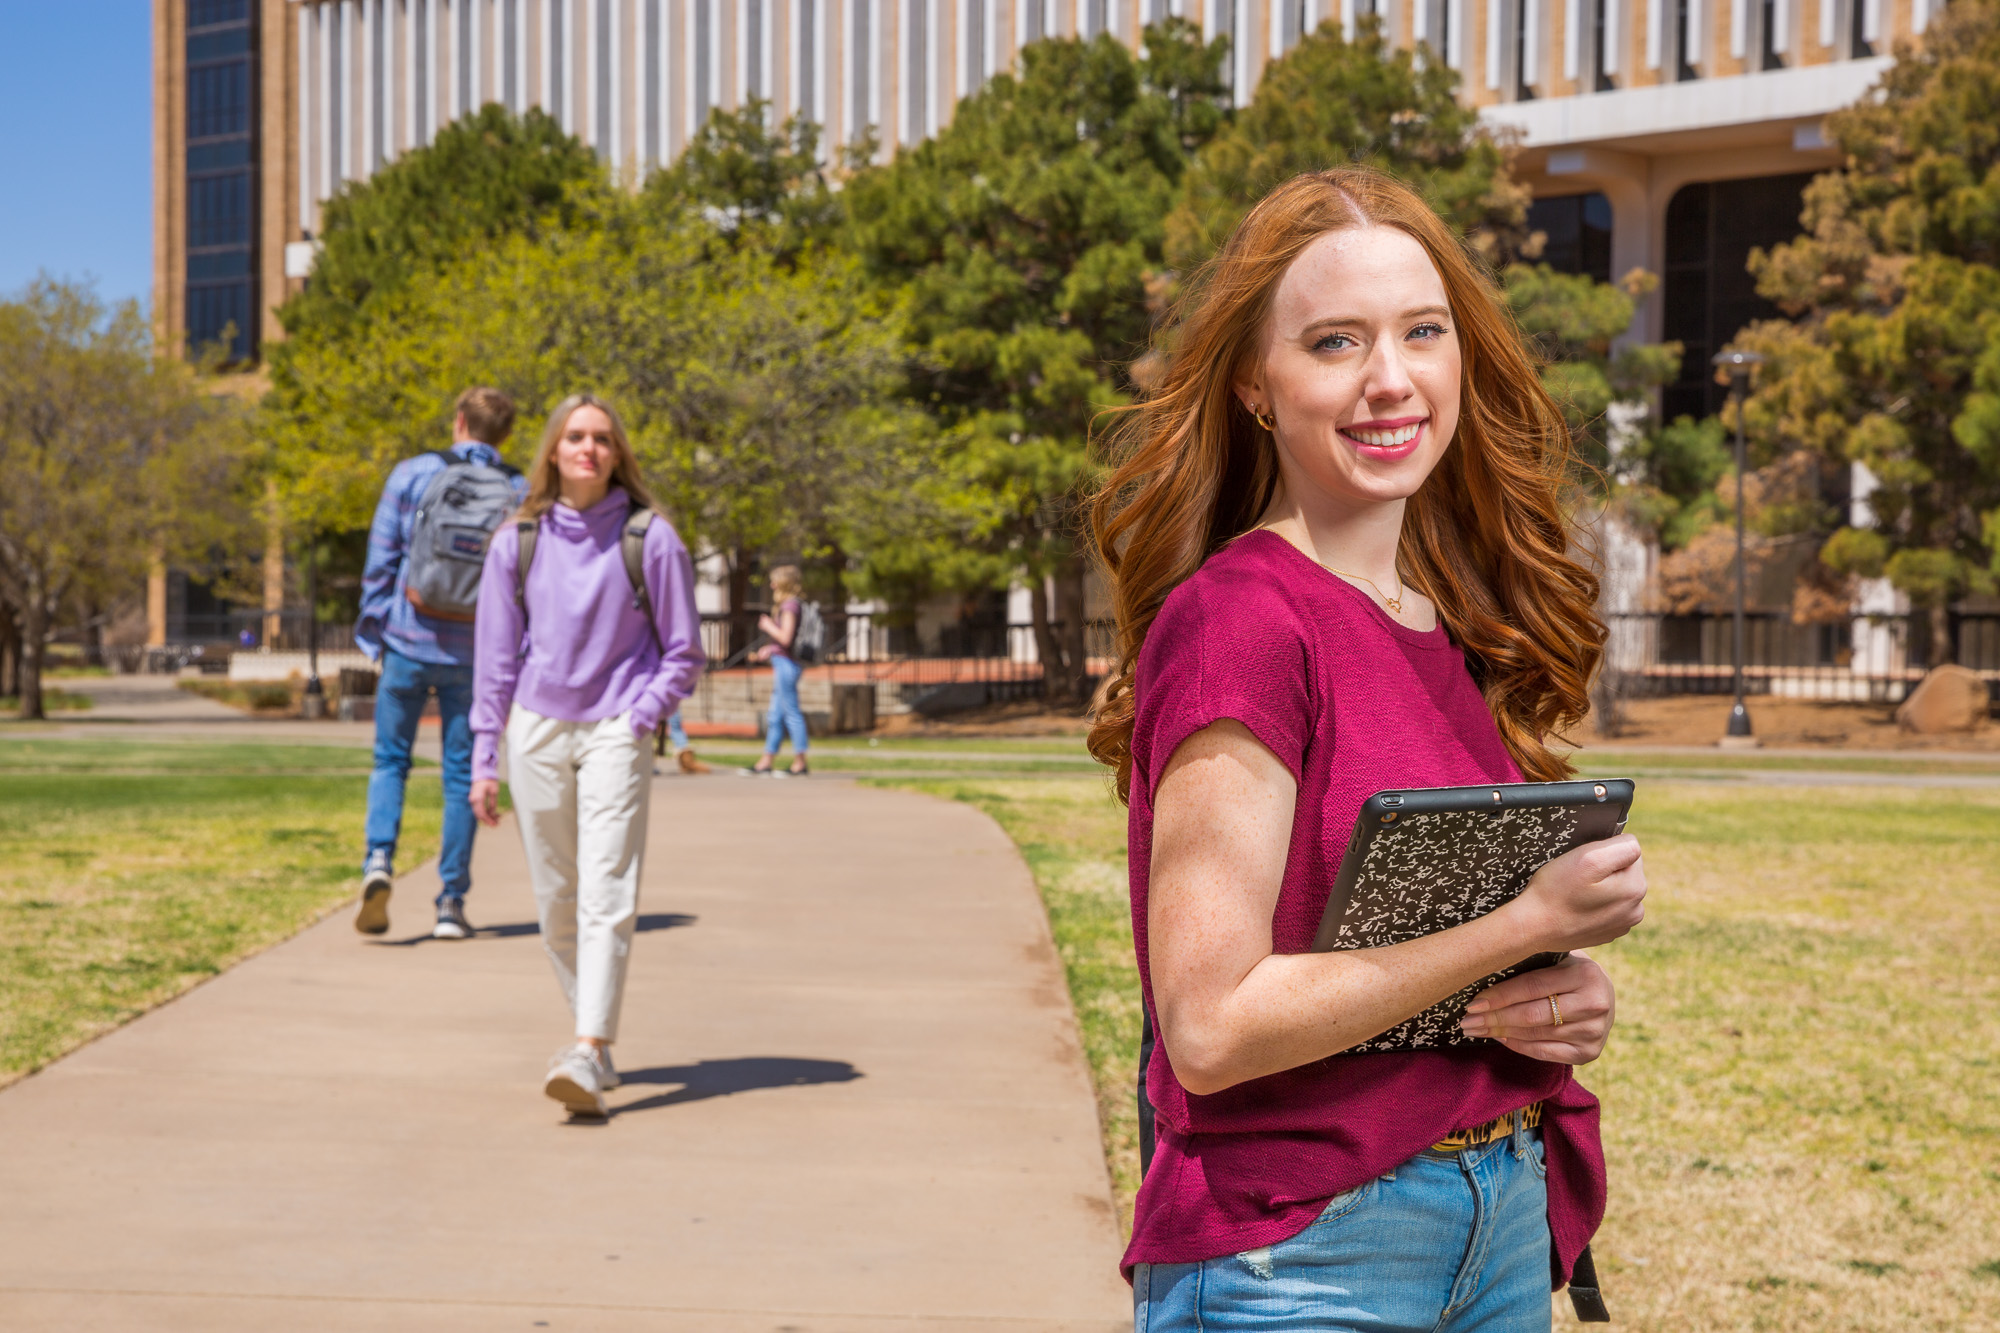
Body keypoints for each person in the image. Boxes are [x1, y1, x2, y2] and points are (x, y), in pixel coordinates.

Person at [1086, 168, 1648, 1330]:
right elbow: (1212, 1026)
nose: (1389, 379)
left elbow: (1400, 958)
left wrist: (1544, 999)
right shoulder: (1241, 620)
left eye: (1420, 333)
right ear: (1255, 382)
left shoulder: (1441, 629)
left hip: (1494, 1216)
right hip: (1302, 1254)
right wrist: (1525, 924)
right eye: (1335, 341)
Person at [469, 393, 704, 1117]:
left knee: (608, 885)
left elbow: (685, 650)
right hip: (536, 727)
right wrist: (485, 756)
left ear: (617, 453)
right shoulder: (519, 540)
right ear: (551, 450)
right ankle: (594, 1039)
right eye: (575, 436)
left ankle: (588, 1046)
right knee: (557, 900)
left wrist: (639, 717)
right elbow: (495, 659)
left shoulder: (651, 536)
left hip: (615, 728)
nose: (589, 448)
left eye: (602, 438)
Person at [354, 387, 523, 940]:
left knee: (390, 761)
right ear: (504, 434)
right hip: (472, 652)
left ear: (458, 422)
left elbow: (381, 558)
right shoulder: (518, 490)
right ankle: (451, 901)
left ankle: (379, 859)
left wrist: (376, 628)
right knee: (459, 776)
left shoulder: (413, 473)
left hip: (408, 639)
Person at [745, 565, 808, 777]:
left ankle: (800, 762)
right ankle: (766, 761)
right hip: (782, 661)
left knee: (791, 713)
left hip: (787, 665)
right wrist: (769, 648)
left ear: (784, 583)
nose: (771, 585)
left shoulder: (790, 606)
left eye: (775, 581)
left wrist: (768, 626)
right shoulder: (789, 604)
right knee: (775, 715)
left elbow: (786, 638)